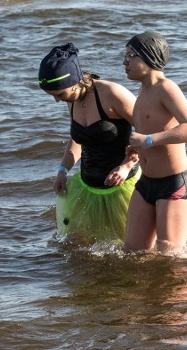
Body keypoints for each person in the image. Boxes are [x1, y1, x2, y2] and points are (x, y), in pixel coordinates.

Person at [38, 43, 140, 243]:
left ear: (75, 82)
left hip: (122, 187)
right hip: (87, 188)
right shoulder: (72, 100)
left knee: (132, 251)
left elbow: (148, 131)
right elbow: (78, 139)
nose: (58, 101)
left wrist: (126, 166)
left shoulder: (112, 93)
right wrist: (62, 170)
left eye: (60, 95)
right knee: (82, 250)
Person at [122, 32, 187, 254]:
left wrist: (148, 140)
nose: (124, 62)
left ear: (147, 57)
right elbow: (153, 129)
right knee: (131, 253)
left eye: (130, 56)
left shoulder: (166, 88)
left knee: (171, 257)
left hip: (173, 184)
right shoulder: (142, 90)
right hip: (146, 183)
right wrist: (136, 149)